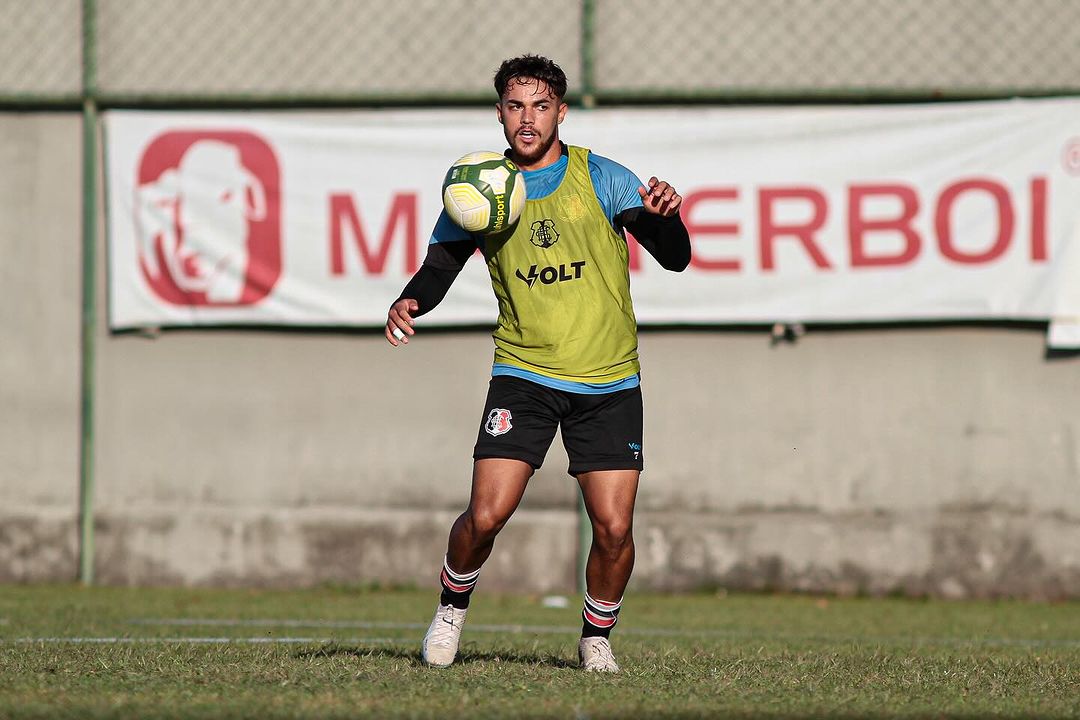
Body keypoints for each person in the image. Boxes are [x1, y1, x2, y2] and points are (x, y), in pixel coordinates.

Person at [385, 54, 691, 673]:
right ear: (500, 113)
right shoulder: (481, 186)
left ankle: (595, 635)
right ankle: (451, 608)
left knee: (612, 528)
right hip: (523, 374)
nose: (528, 119)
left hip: (608, 380)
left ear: (561, 112)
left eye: (541, 106)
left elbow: (675, 257)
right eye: (516, 106)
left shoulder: (601, 177)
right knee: (488, 513)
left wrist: (666, 219)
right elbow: (441, 265)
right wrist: (412, 297)